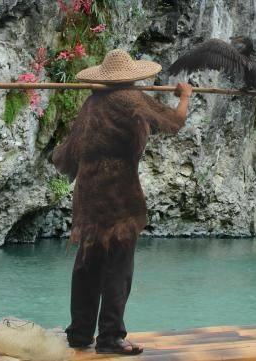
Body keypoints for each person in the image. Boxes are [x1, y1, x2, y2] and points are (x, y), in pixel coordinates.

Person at [51, 49, 192, 355]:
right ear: (130, 76)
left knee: (88, 264)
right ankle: (110, 337)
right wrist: (184, 95)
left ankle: (79, 333)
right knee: (119, 265)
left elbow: (66, 155)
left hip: (88, 195)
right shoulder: (132, 98)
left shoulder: (92, 104)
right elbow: (174, 122)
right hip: (119, 194)